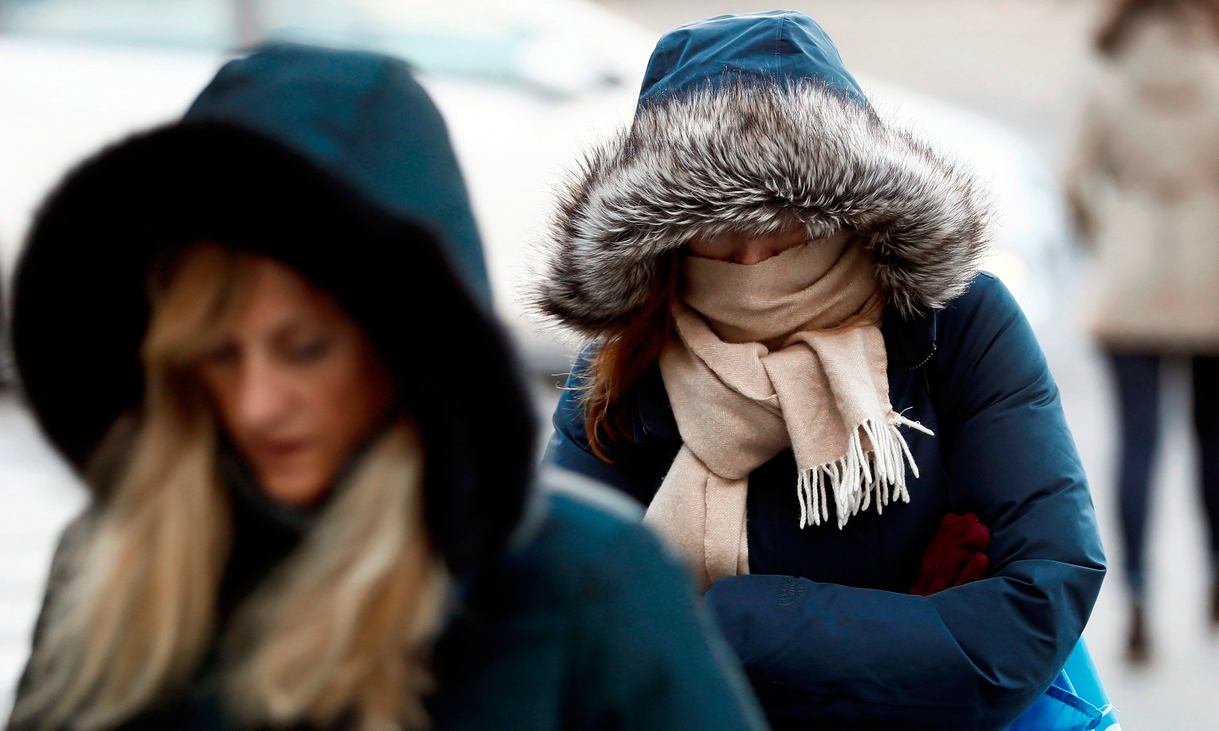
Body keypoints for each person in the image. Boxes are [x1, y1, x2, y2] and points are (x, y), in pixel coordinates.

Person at [5, 44, 767, 731]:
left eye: (303, 349)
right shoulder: (111, 564)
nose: (256, 403)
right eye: (218, 355)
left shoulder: (578, 581)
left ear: (404, 344)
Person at [533, 10, 1114, 731]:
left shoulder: (957, 322)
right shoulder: (628, 361)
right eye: (715, 222)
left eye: (783, 216)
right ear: (667, 237)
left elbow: (1037, 603)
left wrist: (723, 621)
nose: (752, 258)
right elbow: (555, 622)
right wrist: (909, 628)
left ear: (850, 207)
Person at [1067, 0, 1219, 664]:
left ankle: (1140, 600)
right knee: (1214, 431)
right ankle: (1218, 571)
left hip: (1129, 275)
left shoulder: (1108, 68)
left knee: (1137, 441)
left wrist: (1109, 243)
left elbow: (1073, 181)